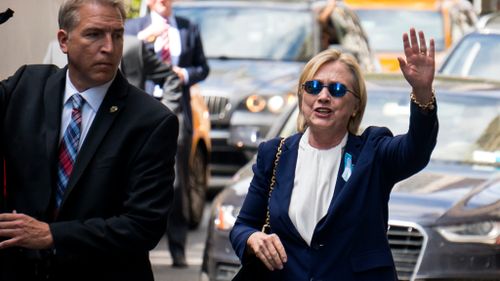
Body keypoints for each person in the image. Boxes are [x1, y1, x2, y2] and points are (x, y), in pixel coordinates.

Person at [230, 28, 438, 280]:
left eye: (337, 90)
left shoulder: (373, 152)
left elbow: (416, 150)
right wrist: (253, 238)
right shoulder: (274, 154)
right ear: (301, 95)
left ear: (355, 106)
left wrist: (423, 93)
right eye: (313, 87)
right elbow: (243, 226)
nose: (323, 97)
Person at [0, 0, 178, 280]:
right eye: (94, 34)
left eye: (117, 35)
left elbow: (143, 226)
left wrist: (53, 235)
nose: (109, 47)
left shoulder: (151, 121)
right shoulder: (25, 88)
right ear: (63, 40)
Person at [125, 0, 210, 268]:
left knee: (176, 181)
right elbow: (122, 56)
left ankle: (178, 247)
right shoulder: (132, 28)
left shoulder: (187, 28)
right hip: (139, 109)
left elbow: (202, 67)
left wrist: (182, 74)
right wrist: (142, 39)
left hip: (176, 111)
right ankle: (135, 244)